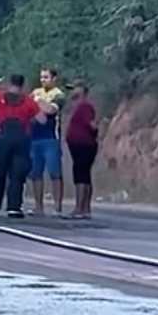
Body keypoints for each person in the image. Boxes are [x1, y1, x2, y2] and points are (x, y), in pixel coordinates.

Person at [0, 74, 49, 218]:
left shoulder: (0, 96)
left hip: (3, 138)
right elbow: (42, 120)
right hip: (21, 139)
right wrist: (31, 118)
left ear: (10, 83)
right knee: (17, 174)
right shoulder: (29, 101)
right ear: (22, 85)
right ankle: (14, 207)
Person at [30, 67, 66, 216]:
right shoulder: (35, 92)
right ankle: (39, 207)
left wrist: (38, 102)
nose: (43, 80)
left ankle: (57, 207)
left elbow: (51, 110)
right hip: (34, 138)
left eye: (46, 77)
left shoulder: (59, 94)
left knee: (55, 173)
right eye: (42, 77)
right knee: (35, 173)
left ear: (54, 79)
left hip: (51, 138)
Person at [66, 81, 99, 219]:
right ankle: (85, 209)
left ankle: (80, 208)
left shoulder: (84, 106)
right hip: (82, 145)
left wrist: (94, 131)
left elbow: (92, 125)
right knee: (84, 175)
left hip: (83, 145)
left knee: (81, 176)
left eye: (74, 89)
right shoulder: (79, 107)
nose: (72, 91)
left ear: (82, 90)